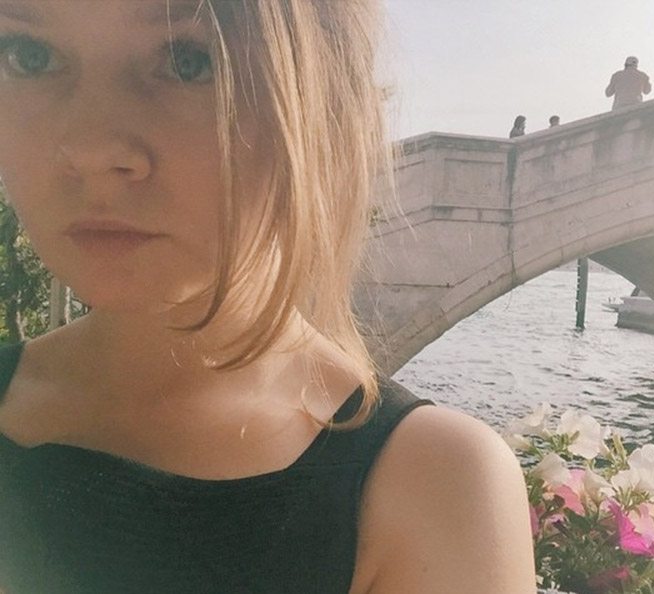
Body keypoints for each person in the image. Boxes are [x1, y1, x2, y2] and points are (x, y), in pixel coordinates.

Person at [0, 2, 536, 593]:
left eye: (188, 61)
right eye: (30, 56)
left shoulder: (434, 492)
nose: (87, 149)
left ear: (328, 108)